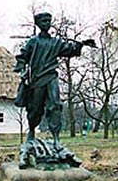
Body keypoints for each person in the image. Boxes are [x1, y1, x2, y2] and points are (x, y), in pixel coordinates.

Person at [13, 12, 95, 153]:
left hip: (51, 77)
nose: (46, 23)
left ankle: (56, 137)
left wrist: (81, 44)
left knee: (55, 105)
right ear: (38, 24)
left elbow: (69, 49)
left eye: (48, 21)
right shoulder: (33, 42)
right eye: (43, 21)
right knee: (35, 108)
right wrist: (21, 69)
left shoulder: (55, 42)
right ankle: (31, 131)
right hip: (37, 79)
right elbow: (23, 56)